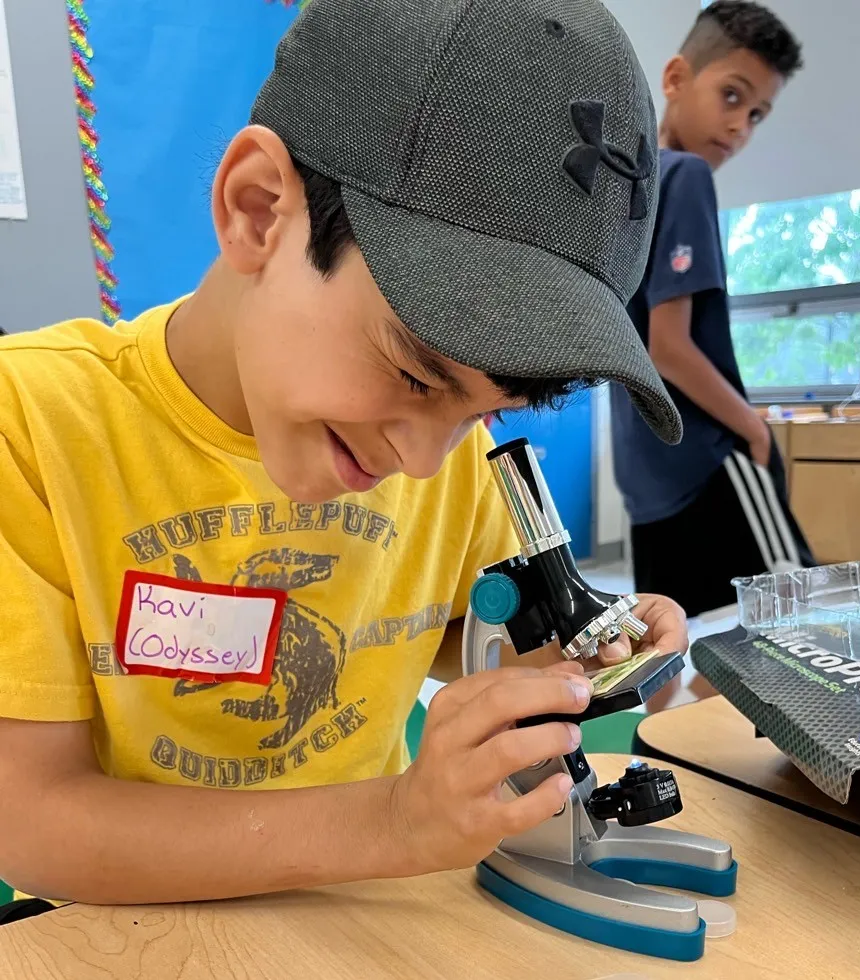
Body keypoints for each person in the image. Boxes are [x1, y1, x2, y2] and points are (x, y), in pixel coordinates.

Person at [0, 0, 687, 915]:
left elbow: (449, 635)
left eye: (487, 409)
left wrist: (575, 660)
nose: (425, 459)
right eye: (414, 372)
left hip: (361, 924)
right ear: (257, 211)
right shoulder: (31, 425)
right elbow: (32, 821)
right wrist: (393, 823)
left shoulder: (448, 458)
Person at [611, 0, 815, 619]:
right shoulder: (687, 176)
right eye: (732, 96)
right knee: (795, 617)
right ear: (676, 78)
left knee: (675, 637)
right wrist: (755, 429)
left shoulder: (627, 190)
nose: (740, 127)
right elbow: (668, 348)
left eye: (756, 115)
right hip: (706, 459)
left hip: (647, 475)